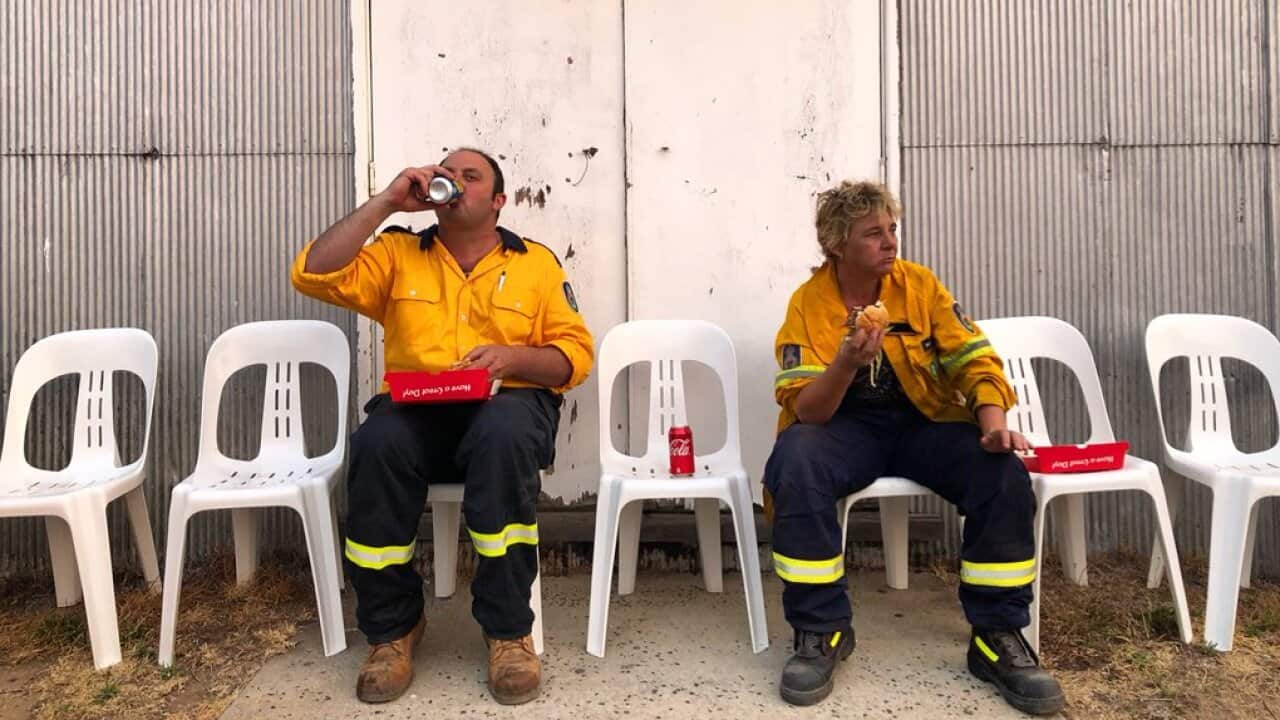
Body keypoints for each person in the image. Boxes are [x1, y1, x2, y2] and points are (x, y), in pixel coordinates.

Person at [290, 147, 594, 705]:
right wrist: (386, 203)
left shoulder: (536, 264)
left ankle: (508, 633)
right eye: (446, 173)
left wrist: (510, 358)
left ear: (498, 201)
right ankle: (392, 631)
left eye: (470, 176)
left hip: (508, 408)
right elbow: (313, 273)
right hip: (419, 411)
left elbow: (573, 359)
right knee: (376, 442)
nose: (453, 181)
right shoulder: (397, 253)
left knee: (502, 436)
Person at [763, 180, 1064, 715]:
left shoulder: (919, 286)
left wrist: (993, 425)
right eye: (873, 233)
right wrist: (847, 361)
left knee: (1000, 472)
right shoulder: (808, 304)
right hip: (845, 429)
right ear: (837, 244)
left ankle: (997, 637)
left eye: (892, 229)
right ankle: (821, 630)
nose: (890, 242)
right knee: (796, 461)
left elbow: (974, 359)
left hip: (924, 421)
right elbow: (808, 410)